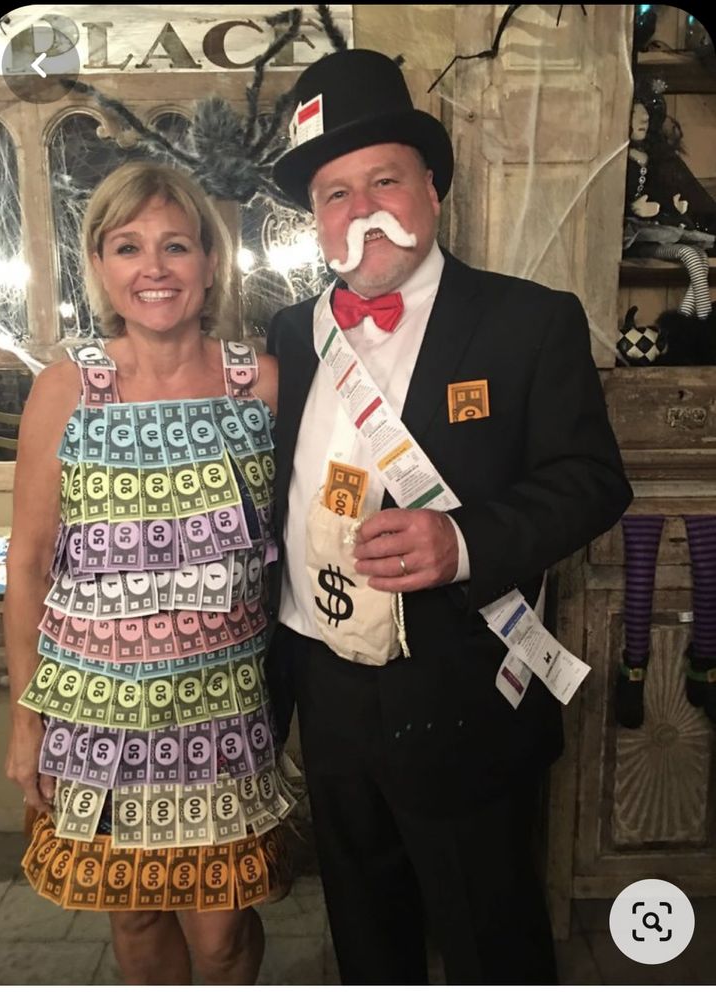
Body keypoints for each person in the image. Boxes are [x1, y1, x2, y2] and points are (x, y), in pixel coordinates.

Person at [266, 49, 632, 984]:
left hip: (463, 685)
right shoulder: (288, 336)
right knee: (365, 932)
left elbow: (592, 480)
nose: (363, 211)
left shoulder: (529, 321)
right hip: (328, 685)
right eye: (335, 194)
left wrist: (461, 540)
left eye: (383, 179)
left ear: (431, 188)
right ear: (317, 221)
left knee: (488, 936)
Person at [4, 161, 291, 985]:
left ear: (210, 262)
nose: (153, 268)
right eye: (127, 247)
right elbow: (27, 565)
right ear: (99, 265)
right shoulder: (65, 389)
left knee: (223, 937)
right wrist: (28, 723)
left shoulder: (261, 385)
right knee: (133, 918)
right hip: (94, 716)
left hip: (222, 710)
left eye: (175, 245)